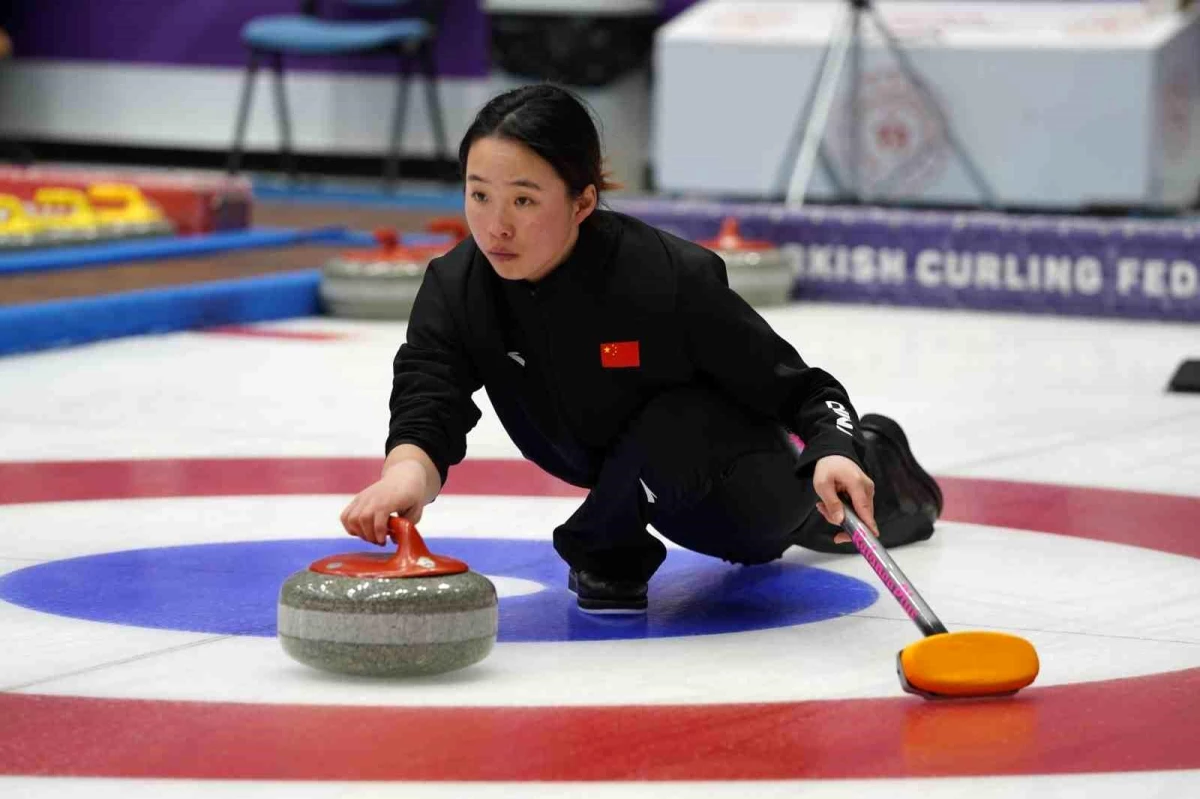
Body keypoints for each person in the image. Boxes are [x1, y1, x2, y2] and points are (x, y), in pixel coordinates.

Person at [340, 83, 943, 614]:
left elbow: (803, 389)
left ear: (582, 202)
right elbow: (430, 391)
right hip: (643, 487)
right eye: (479, 196)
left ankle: (870, 456)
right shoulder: (458, 286)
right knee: (661, 449)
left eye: (524, 200)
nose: (496, 226)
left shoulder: (664, 277)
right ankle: (870, 464)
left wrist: (835, 449)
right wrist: (407, 474)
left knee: (688, 429)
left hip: (744, 484)